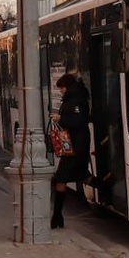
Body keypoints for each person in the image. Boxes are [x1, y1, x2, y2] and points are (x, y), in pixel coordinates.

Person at [49, 73, 93, 229]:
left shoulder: (77, 101)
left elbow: (79, 121)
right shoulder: (74, 98)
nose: (60, 91)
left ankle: (57, 216)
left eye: (61, 88)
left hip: (75, 147)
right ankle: (110, 188)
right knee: (83, 176)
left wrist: (60, 119)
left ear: (66, 87)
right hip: (74, 145)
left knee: (61, 179)